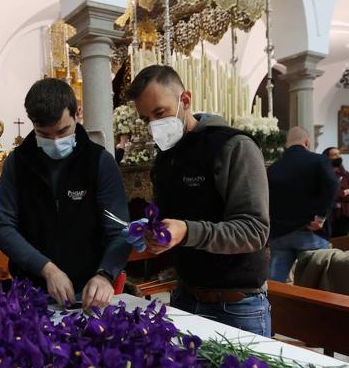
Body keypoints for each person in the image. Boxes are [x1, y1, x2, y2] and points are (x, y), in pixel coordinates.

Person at [127, 64, 271, 336]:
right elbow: (170, 219)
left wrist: (186, 231)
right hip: (185, 296)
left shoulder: (233, 147)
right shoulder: (166, 159)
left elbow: (254, 231)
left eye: (160, 113)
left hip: (237, 305)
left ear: (185, 100)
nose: (154, 125)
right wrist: (154, 232)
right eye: (146, 119)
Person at [0, 78, 131, 310]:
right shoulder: (17, 163)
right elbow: (3, 228)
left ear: (77, 114)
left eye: (63, 131)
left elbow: (120, 230)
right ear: (33, 123)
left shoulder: (99, 161)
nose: (55, 141)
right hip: (31, 292)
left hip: (89, 293)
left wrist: (105, 274)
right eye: (45, 135)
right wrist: (47, 269)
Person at [267, 127, 338, 282]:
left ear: (286, 144)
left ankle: (275, 299)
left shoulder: (273, 167)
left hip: (279, 233)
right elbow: (332, 185)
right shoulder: (318, 160)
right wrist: (321, 217)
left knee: (275, 283)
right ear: (307, 142)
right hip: (310, 230)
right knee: (314, 283)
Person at [322, 146, 349, 238]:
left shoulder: (346, 175)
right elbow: (326, 194)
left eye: (339, 154)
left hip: (344, 215)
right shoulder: (323, 174)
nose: (338, 156)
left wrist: (339, 195)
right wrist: (343, 193)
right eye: (334, 155)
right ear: (327, 158)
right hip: (328, 216)